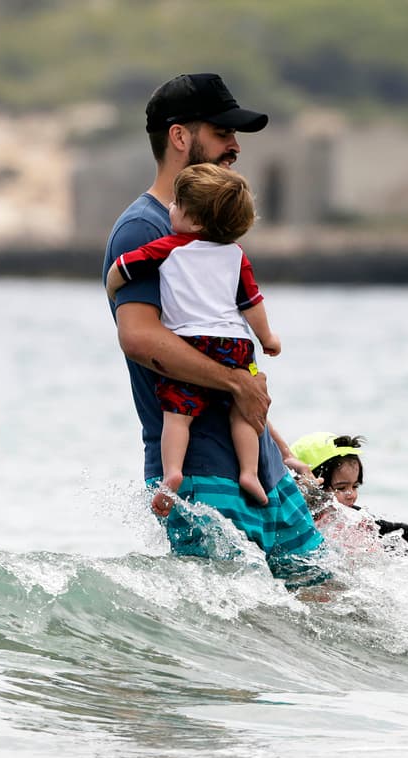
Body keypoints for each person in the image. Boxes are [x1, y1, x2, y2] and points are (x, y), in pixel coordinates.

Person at [102, 73, 325, 585]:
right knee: (231, 625)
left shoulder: (212, 234)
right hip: (197, 465)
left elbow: (229, 355)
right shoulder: (147, 229)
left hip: (259, 466)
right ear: (180, 137)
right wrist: (235, 384)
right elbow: (140, 337)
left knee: (326, 598)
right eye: (222, 132)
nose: (235, 145)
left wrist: (283, 449)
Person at [106, 163, 279, 513]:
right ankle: (249, 472)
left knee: (177, 414)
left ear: (195, 221)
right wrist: (267, 338)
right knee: (242, 412)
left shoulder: (168, 246)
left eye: (176, 205)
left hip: (191, 342)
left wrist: (112, 288)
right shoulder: (236, 255)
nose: (169, 208)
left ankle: (172, 473)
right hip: (234, 344)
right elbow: (251, 303)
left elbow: (123, 268)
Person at [288, 432, 408, 556]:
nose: (351, 495)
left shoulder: (353, 519)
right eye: (340, 488)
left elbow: (393, 530)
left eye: (355, 486)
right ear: (309, 484)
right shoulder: (291, 519)